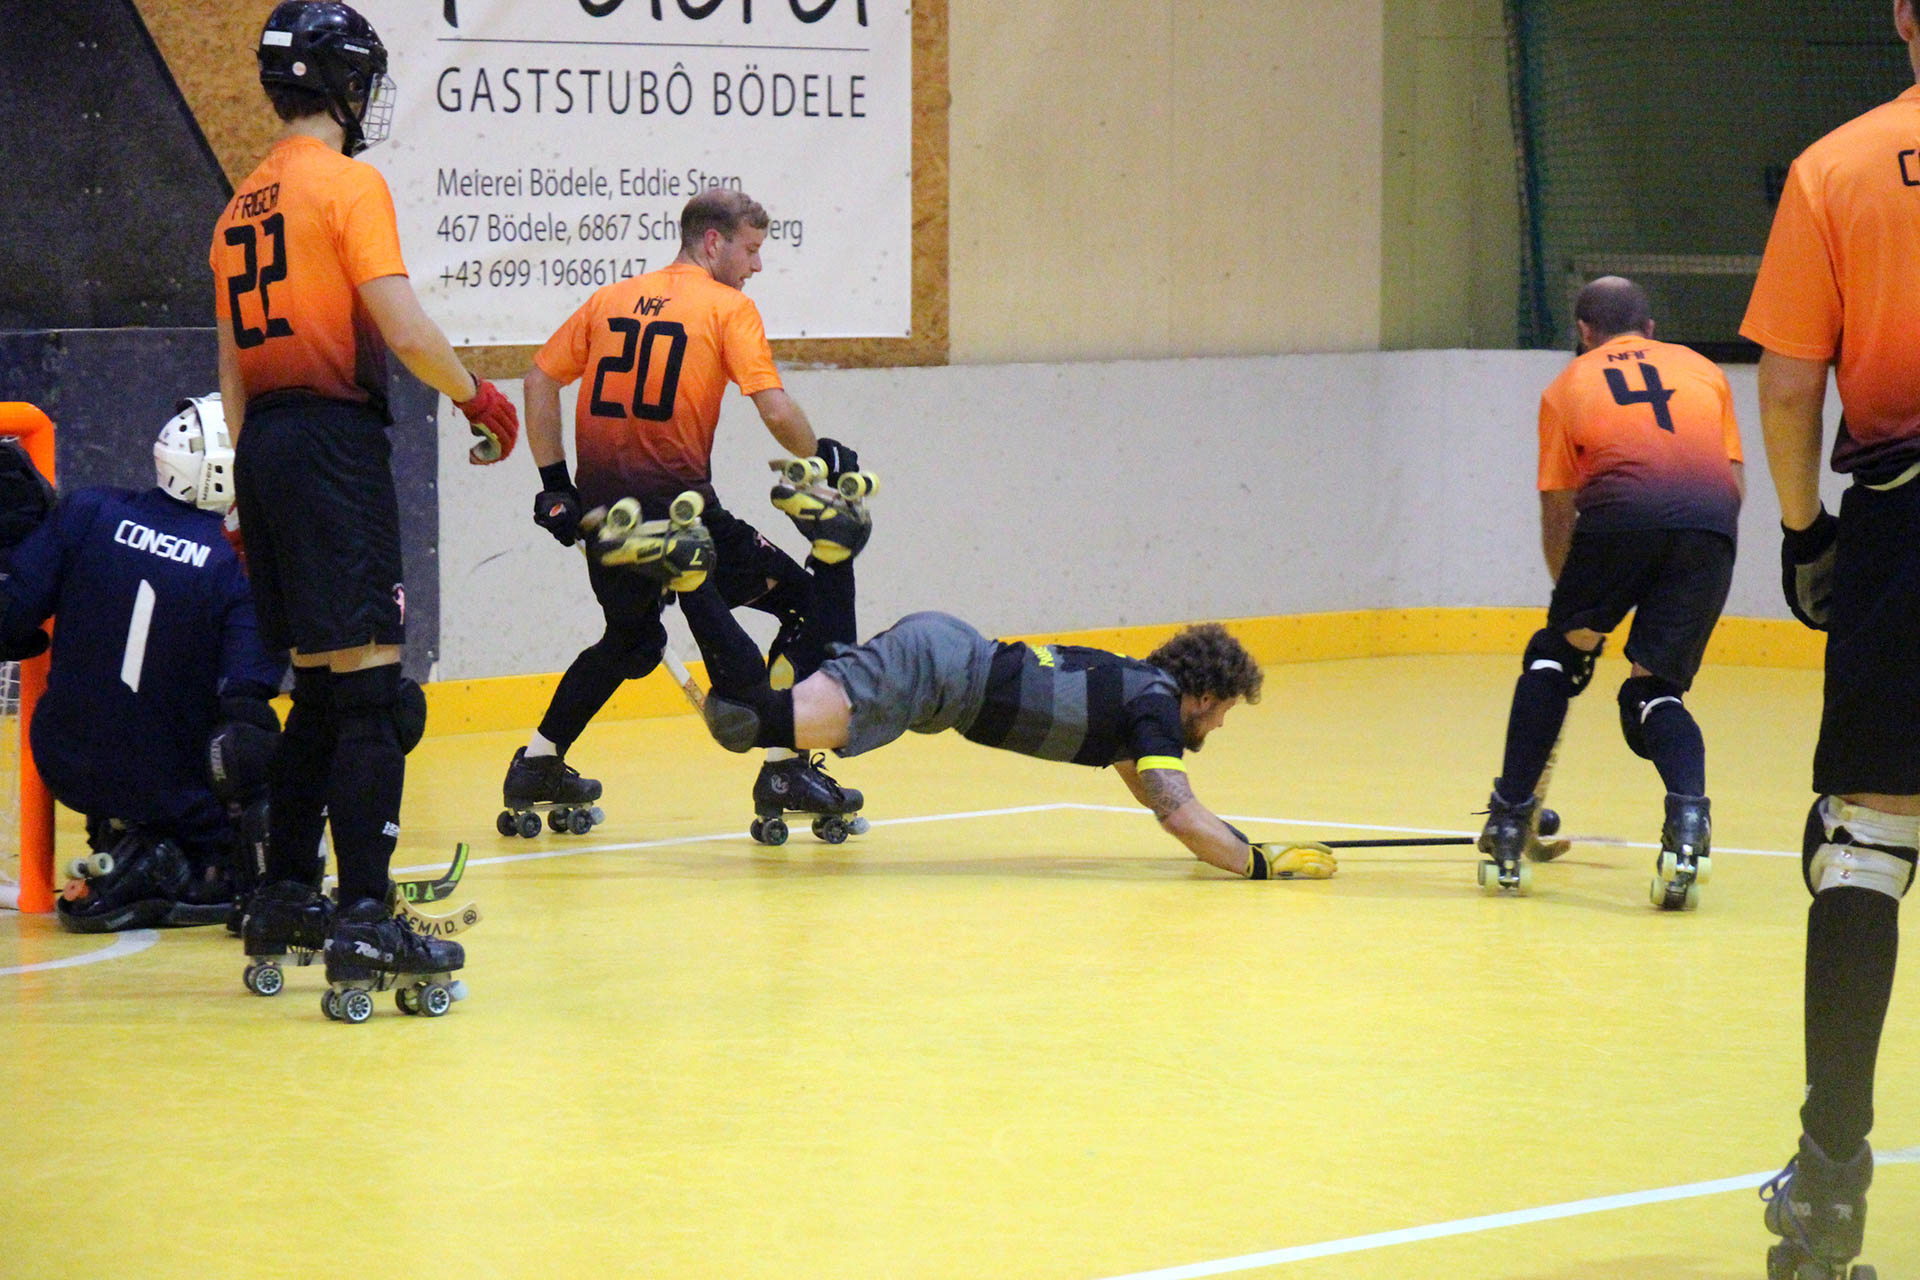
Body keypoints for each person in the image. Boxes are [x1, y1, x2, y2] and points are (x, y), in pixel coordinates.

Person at [210, 0, 518, 1015]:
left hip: (264, 449)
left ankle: (286, 897)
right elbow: (403, 324)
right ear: (344, 83)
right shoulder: (347, 184)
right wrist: (475, 395)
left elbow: (233, 370)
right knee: (373, 695)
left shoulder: (237, 208)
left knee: (317, 688)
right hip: (333, 445)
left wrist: (249, 493)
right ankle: (365, 914)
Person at [584, 473, 1332, 880]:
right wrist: (1257, 864)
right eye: (1224, 711)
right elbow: (1179, 812)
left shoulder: (1140, 694)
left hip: (943, 652)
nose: (1220, 725)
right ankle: (692, 575)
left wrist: (1235, 842)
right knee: (746, 720)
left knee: (820, 667)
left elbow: (1157, 796)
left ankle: (835, 549)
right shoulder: (1159, 713)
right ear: (1205, 694)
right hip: (934, 677)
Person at [506, 185, 867, 842]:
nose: (756, 265)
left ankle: (537, 762)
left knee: (631, 641)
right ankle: (783, 768)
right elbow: (774, 407)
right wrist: (824, 458)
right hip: (683, 513)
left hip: (605, 513)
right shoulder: (729, 308)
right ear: (713, 242)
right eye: (750, 250)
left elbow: (538, 380)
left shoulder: (610, 299)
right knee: (805, 604)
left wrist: (555, 486)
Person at [1740, 4, 1920, 1271]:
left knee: (1866, 838)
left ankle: (1830, 1186)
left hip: (1905, 527)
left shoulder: (1838, 165)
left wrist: (1808, 531)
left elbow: (1795, 378)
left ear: (1904, 12)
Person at [1472, 277, 1744, 905]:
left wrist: (1576, 621)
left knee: (1552, 658)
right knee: (1654, 693)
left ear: (1583, 333)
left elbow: (1558, 508)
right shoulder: (1705, 372)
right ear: (1650, 329)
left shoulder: (1567, 385)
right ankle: (1689, 823)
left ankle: (1509, 819)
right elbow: (1731, 482)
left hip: (1618, 519)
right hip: (1710, 527)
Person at [0, 395, 288, 931]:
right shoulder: (242, 564)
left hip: (64, 766)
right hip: (176, 791)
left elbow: (10, 620)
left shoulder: (88, 510)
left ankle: (122, 838)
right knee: (271, 737)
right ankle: (224, 869)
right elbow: (245, 703)